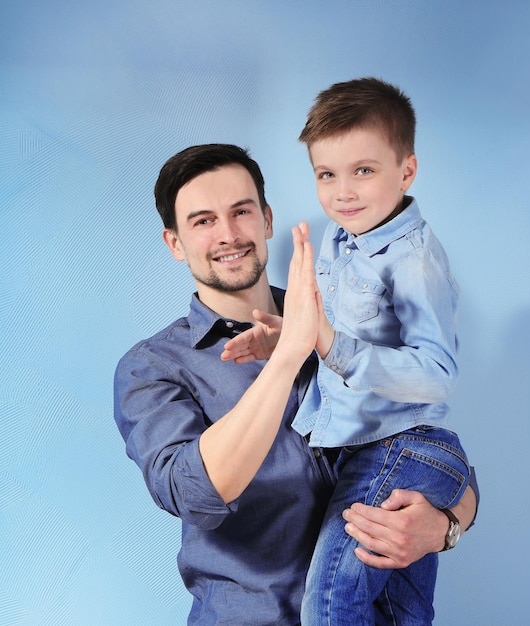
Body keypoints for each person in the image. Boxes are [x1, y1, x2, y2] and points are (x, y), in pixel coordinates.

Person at [114, 143, 478, 626]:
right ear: (175, 243)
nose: (228, 234)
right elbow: (193, 492)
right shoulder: (154, 366)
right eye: (203, 221)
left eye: (241, 212)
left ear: (266, 220)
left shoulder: (348, 319)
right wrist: (289, 354)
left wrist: (445, 526)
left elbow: (423, 446)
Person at [227, 78, 471, 625]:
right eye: (326, 175)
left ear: (406, 171)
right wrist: (287, 338)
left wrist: (330, 344)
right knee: (399, 614)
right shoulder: (342, 240)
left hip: (401, 449)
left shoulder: (411, 258)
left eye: (363, 170)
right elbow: (336, 335)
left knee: (331, 605)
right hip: (361, 451)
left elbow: (437, 374)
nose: (343, 192)